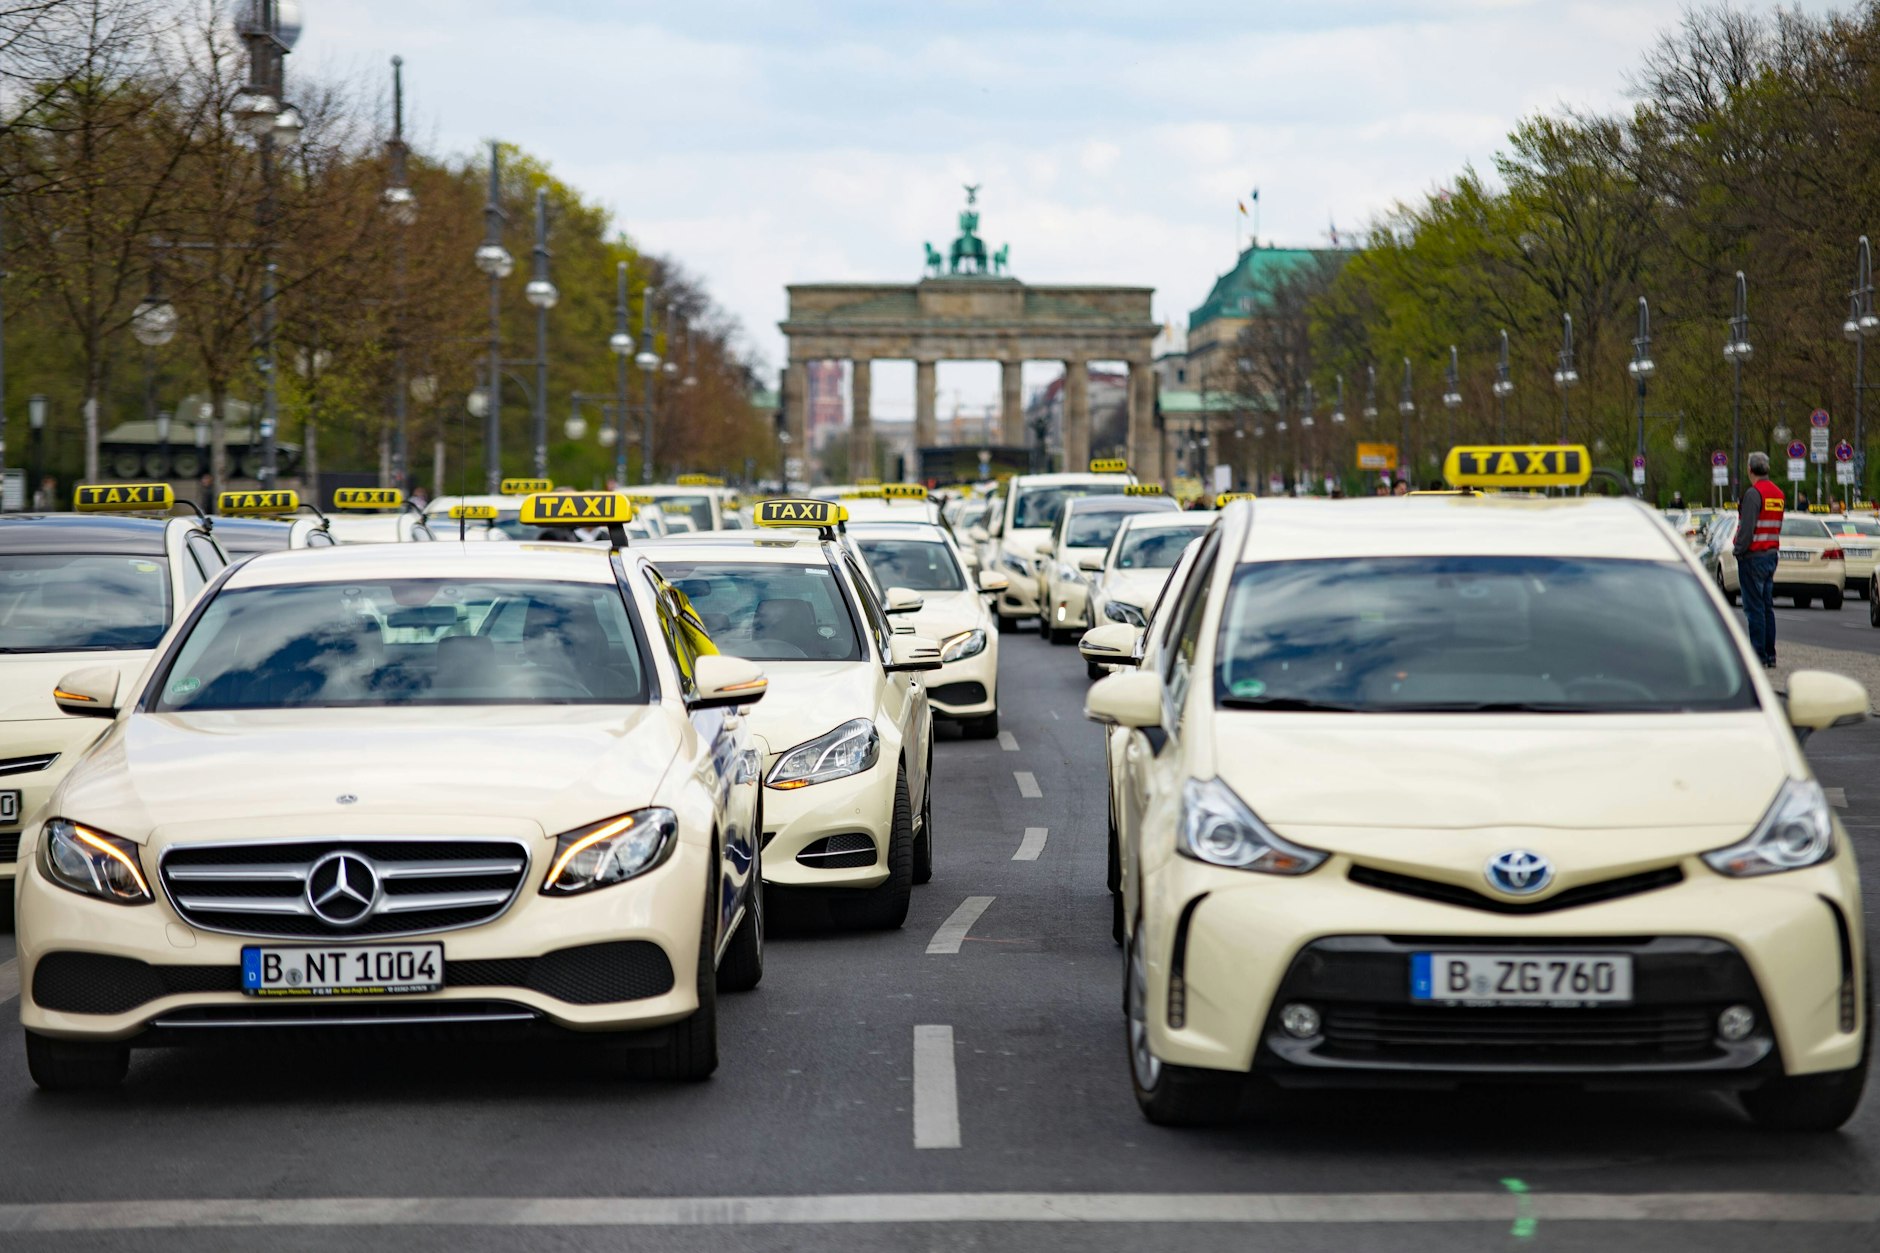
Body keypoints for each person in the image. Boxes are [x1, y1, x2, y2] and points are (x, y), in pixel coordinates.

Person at [1733, 451, 1785, 669]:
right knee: (1766, 607)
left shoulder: (1754, 494)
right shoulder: (1778, 494)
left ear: (1749, 469)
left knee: (1753, 609)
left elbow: (1747, 529)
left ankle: (1758, 655)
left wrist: (1738, 550)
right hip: (1770, 555)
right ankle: (1769, 654)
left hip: (1752, 556)